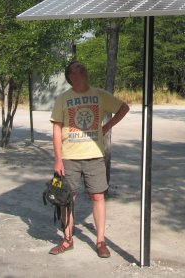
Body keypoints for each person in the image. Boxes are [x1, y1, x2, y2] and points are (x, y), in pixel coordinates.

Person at [48, 60, 129, 258]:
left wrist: (105, 127)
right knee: (68, 198)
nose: (82, 68)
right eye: (77, 68)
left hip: (94, 155)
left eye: (83, 66)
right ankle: (67, 239)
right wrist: (58, 159)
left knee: (98, 196)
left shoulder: (99, 94)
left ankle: (100, 241)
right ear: (70, 76)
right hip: (70, 157)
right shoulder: (63, 99)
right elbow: (57, 129)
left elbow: (123, 108)